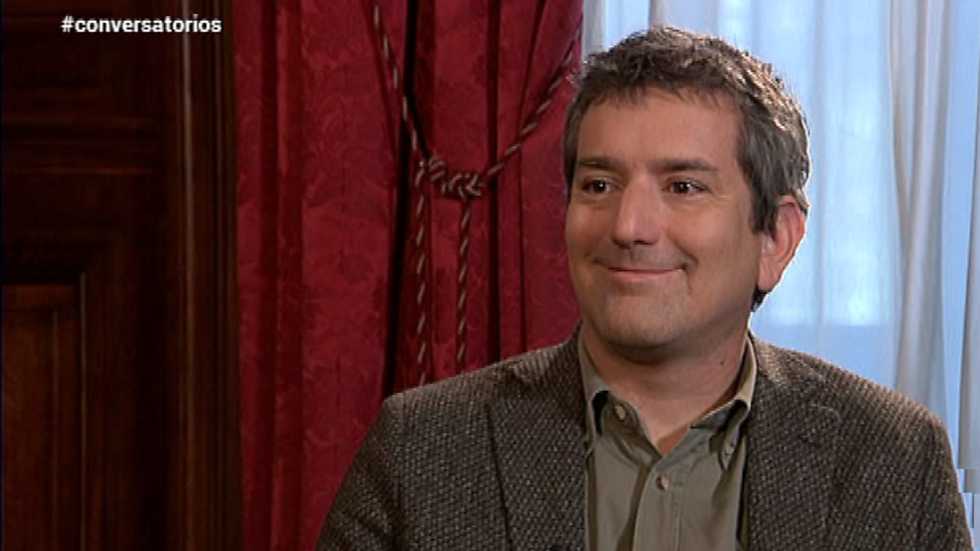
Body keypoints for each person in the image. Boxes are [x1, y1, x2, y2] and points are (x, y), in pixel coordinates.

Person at [318, 26, 972, 551]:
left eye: (683, 186)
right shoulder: (421, 450)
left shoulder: (895, 460)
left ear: (776, 237)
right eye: (598, 185)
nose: (628, 227)